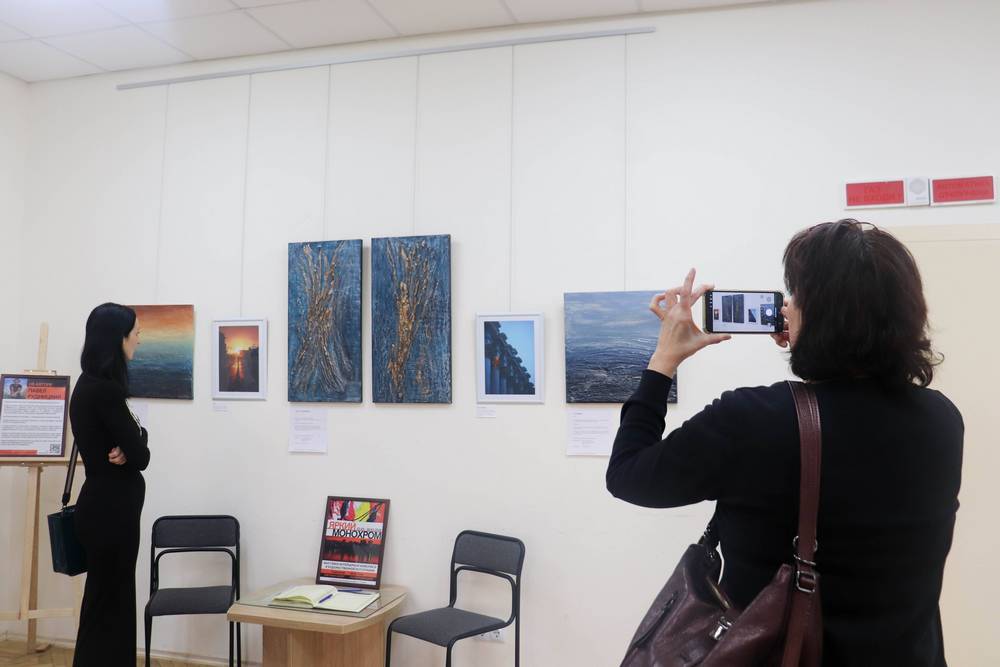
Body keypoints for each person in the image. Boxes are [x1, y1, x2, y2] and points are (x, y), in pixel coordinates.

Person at [606, 220, 963, 666]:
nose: (786, 306)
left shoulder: (753, 419)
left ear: (822, 315)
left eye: (796, 296)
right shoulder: (942, 420)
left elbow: (628, 474)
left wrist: (664, 359)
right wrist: (820, 353)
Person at [70, 303, 150, 666]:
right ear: (117, 339)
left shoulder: (90, 385)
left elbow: (135, 442)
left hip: (105, 509)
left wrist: (135, 442)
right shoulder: (105, 391)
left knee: (106, 603)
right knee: (111, 605)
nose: (138, 339)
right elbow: (141, 455)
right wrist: (135, 444)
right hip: (110, 513)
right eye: (135, 333)